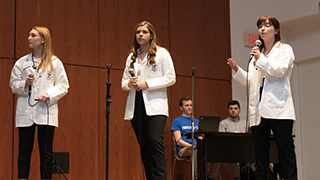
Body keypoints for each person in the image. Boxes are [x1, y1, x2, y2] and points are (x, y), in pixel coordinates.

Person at [227, 16, 297, 180]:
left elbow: (279, 71)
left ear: (276, 30)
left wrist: (261, 58)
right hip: (258, 111)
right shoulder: (256, 56)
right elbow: (251, 82)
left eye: (267, 25)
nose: (262, 29)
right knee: (260, 157)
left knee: (285, 154)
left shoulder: (285, 50)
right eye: (260, 26)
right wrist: (237, 70)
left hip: (279, 109)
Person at [10, 26, 69, 180]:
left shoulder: (55, 62)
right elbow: (13, 84)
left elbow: (63, 86)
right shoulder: (22, 62)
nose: (29, 37)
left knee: (46, 152)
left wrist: (48, 94)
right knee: (24, 151)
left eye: (33, 35)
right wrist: (24, 83)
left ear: (43, 39)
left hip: (46, 112)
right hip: (25, 112)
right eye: (29, 34)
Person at [121, 21, 176, 180]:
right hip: (137, 105)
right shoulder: (132, 57)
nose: (140, 35)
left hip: (155, 106)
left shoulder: (162, 53)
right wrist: (129, 83)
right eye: (138, 32)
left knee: (154, 140)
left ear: (151, 35)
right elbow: (124, 83)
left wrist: (147, 84)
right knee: (144, 145)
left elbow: (171, 78)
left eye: (144, 32)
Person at [171, 96, 215, 179]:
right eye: (186, 105)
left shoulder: (197, 121)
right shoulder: (176, 121)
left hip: (198, 147)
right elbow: (178, 141)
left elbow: (201, 137)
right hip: (184, 149)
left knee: (216, 152)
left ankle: (210, 177)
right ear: (181, 108)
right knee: (195, 151)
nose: (189, 107)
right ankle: (197, 177)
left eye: (190, 105)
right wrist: (192, 146)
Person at [207, 100, 245, 180]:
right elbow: (221, 139)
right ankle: (211, 178)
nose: (233, 110)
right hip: (228, 148)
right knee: (222, 155)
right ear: (228, 110)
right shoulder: (223, 123)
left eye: (235, 108)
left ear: (239, 110)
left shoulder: (245, 123)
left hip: (243, 148)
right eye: (231, 108)